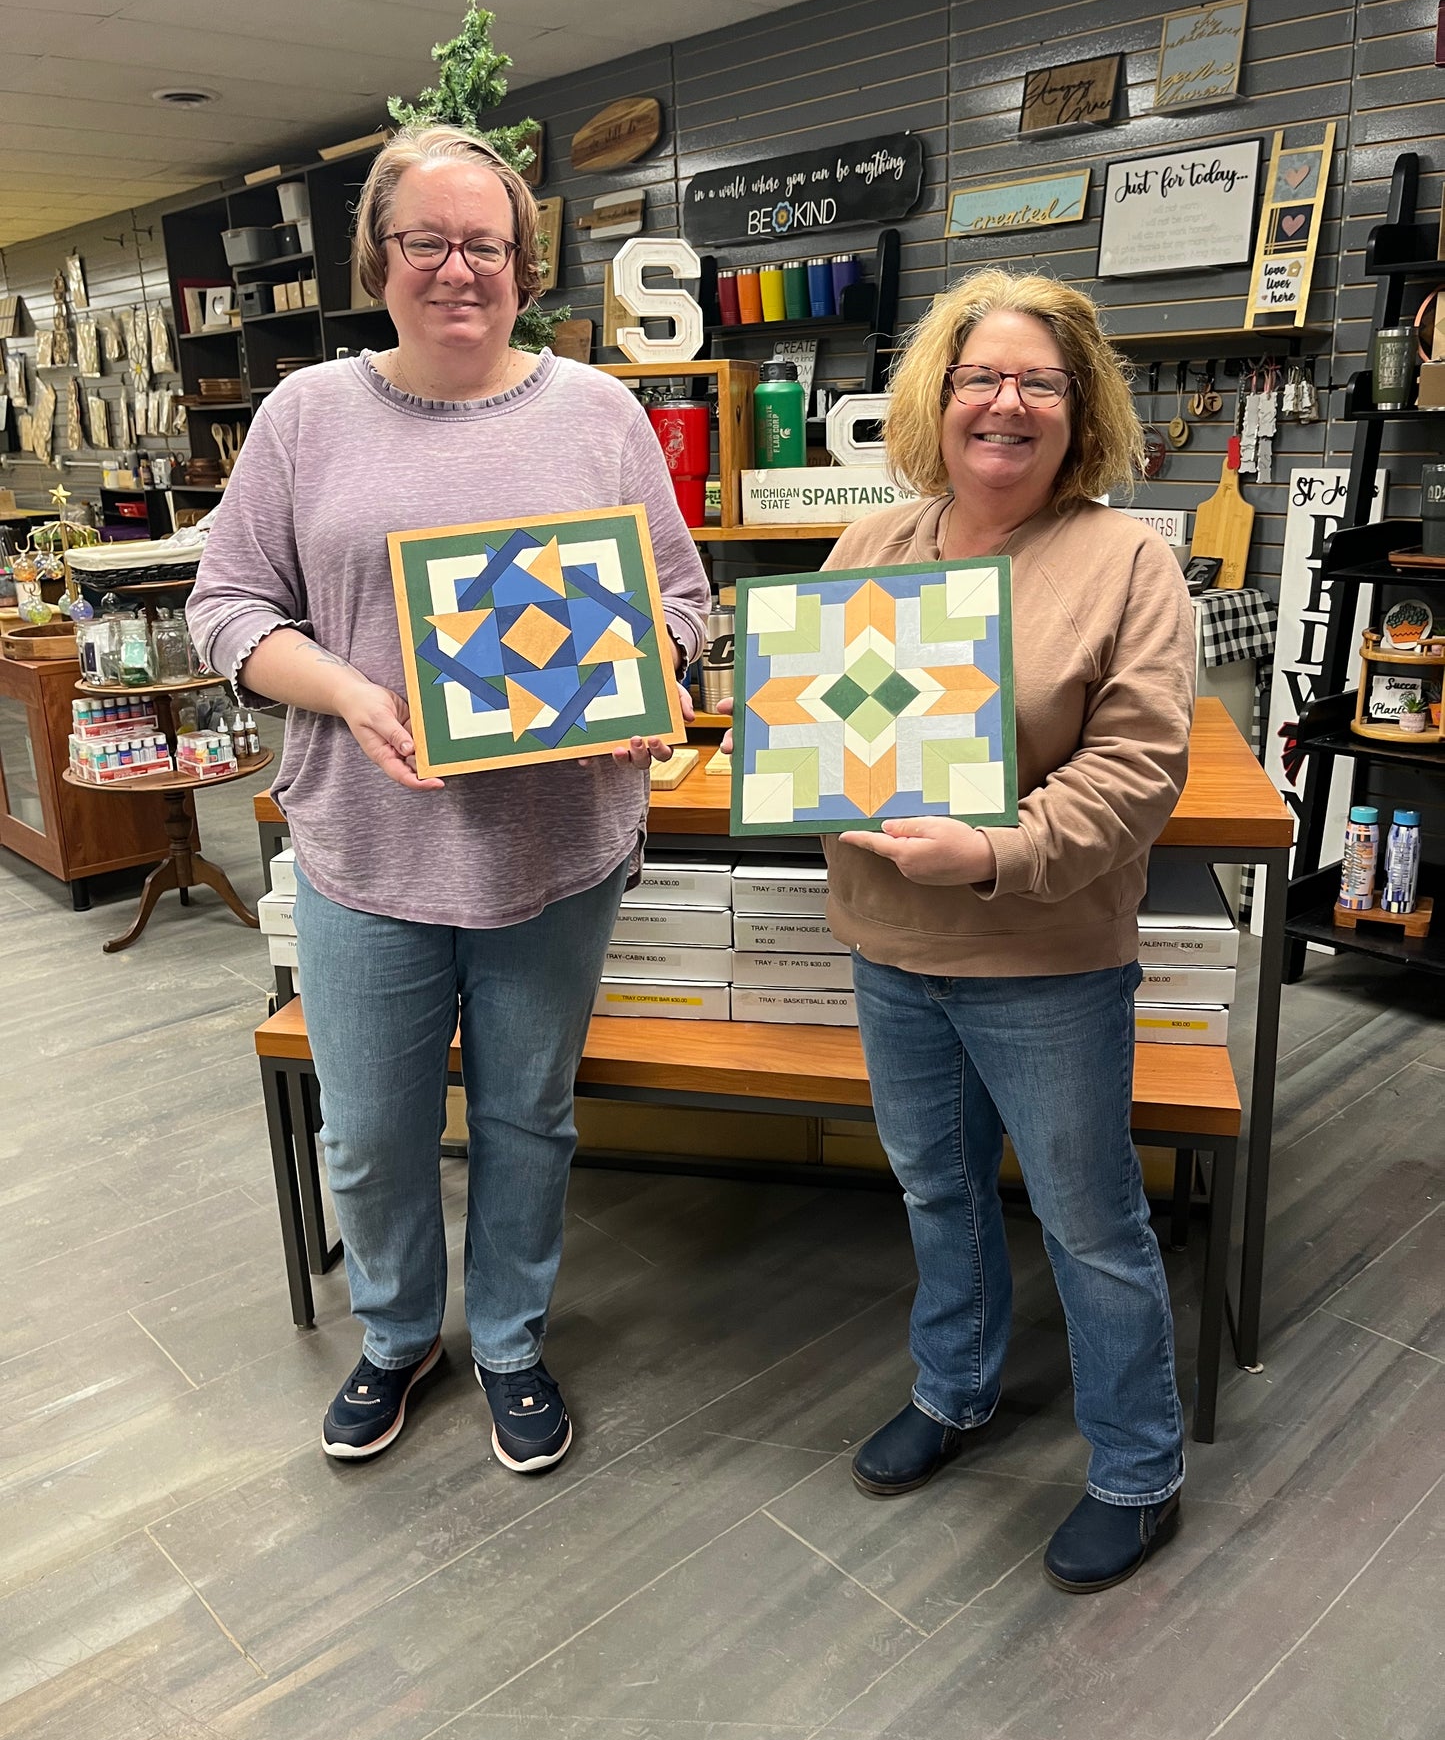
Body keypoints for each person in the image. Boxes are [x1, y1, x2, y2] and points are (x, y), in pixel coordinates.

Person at [187, 123, 710, 1474]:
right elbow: (228, 609)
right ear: (378, 257)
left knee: (530, 1116)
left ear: (526, 265)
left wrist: (641, 676)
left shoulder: (597, 414)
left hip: (556, 846)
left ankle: (515, 1341)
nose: (456, 268)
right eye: (426, 240)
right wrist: (351, 695)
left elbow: (680, 602)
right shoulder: (305, 413)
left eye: (485, 244)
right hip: (364, 843)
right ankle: (398, 1332)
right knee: (368, 1129)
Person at [737, 269, 1195, 1591]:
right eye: (978, 377)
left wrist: (995, 850)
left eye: (1037, 383)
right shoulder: (872, 548)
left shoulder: (1123, 560)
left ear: (1078, 407)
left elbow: (1132, 774)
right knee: (935, 1190)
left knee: (1086, 1221)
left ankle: (1134, 1467)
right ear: (934, 399)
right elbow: (815, 735)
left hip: (1041, 962)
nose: (1004, 404)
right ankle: (953, 1392)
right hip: (888, 950)